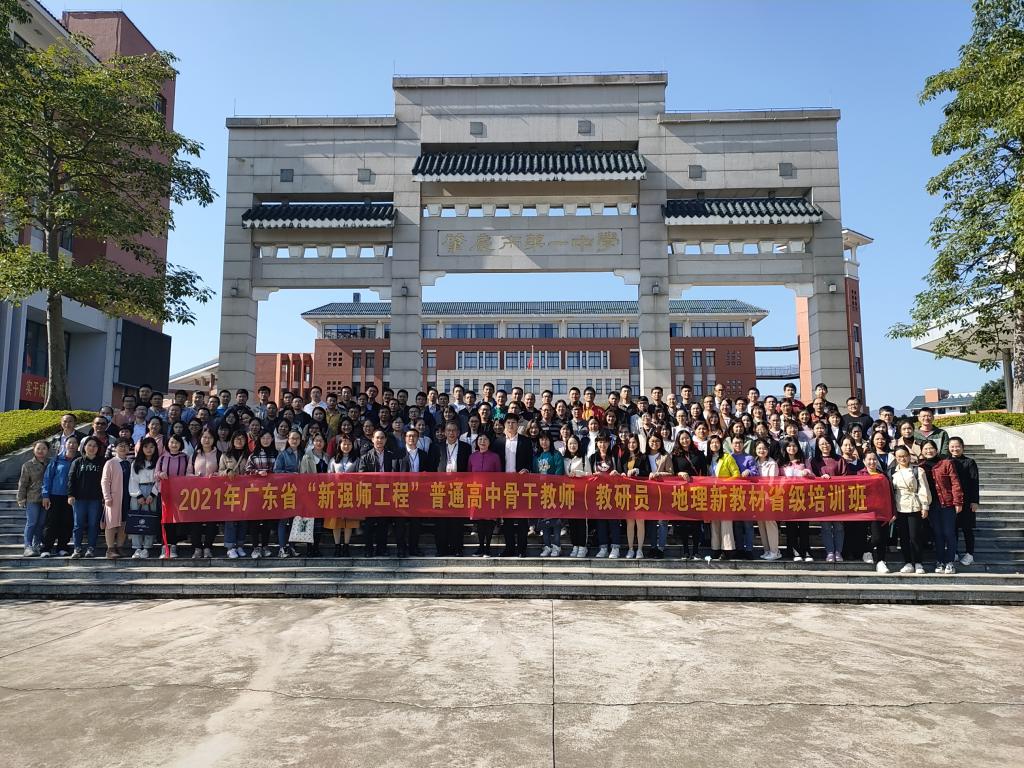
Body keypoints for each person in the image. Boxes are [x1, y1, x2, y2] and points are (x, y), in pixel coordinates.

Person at [919, 440, 964, 574]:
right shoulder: (920, 466)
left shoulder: (946, 463)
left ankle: (949, 562)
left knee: (949, 533)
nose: (929, 451)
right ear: (922, 451)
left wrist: (958, 501)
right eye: (925, 449)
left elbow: (955, 483)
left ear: (936, 449)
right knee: (937, 534)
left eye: (931, 448)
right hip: (931, 505)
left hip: (947, 503)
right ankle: (940, 561)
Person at [493, 415, 534, 557]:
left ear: (518, 425)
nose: (511, 425)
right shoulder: (498, 442)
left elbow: (530, 460)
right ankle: (509, 548)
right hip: (504, 485)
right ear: (504, 425)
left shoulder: (525, 441)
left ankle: (522, 549)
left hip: (521, 484)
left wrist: (527, 469)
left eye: (513, 423)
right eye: (508, 422)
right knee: (507, 519)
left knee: (522, 518)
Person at [357, 430, 399, 557]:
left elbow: (395, 474)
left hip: (386, 494)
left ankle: (382, 549)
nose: (379, 440)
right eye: (377, 438)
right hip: (371, 493)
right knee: (369, 524)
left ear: (385, 440)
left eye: (382, 438)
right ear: (372, 440)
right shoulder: (365, 456)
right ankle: (368, 550)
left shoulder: (391, 456)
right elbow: (361, 476)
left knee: (383, 523)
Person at [891, 445, 931, 575]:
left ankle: (918, 562)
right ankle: (907, 562)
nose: (902, 459)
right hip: (899, 506)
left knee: (915, 536)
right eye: (899, 457)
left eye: (904, 456)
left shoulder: (917, 470)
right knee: (903, 537)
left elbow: (923, 488)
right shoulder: (892, 472)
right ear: (896, 458)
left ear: (909, 456)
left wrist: (925, 506)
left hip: (915, 505)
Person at [807, 435, 848, 562]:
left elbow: (846, 477)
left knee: (839, 527)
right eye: (822, 444)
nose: (825, 446)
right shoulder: (814, 461)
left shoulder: (840, 459)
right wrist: (820, 479)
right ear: (818, 446)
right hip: (822, 498)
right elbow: (812, 478)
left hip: (838, 496)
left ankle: (838, 552)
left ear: (831, 444)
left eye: (827, 443)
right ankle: (830, 552)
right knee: (825, 527)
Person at [68, 436, 106, 559]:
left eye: (95, 446)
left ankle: (91, 548)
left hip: (96, 499)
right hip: (79, 499)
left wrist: (104, 496)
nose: (92, 448)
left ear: (98, 448)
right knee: (78, 524)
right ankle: (77, 548)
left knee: (93, 524)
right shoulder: (77, 461)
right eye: (89, 445)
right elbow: (71, 479)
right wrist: (70, 494)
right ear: (84, 447)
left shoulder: (102, 462)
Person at [671, 430, 706, 560]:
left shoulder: (699, 454)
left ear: (690, 439)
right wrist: (679, 473)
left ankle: (696, 552)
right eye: (682, 439)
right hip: (682, 492)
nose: (685, 441)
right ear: (678, 441)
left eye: (687, 438)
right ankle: (685, 551)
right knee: (684, 524)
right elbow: (672, 473)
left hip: (697, 492)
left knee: (696, 524)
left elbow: (705, 473)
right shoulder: (675, 455)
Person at [40, 436, 77, 557]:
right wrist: (45, 495)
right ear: (65, 445)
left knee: (66, 523)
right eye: (69, 442)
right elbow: (47, 478)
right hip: (55, 495)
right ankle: (46, 548)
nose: (72, 445)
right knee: (51, 523)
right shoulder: (56, 460)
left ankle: (62, 547)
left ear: (78, 446)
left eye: (74, 443)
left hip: (70, 497)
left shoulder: (78, 460)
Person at [779, 437, 814, 561]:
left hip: (803, 497)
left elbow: (813, 475)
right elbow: (777, 480)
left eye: (794, 446)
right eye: (789, 446)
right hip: (788, 498)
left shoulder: (804, 461)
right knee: (791, 526)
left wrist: (807, 472)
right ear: (785, 448)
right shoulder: (781, 463)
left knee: (804, 526)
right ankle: (793, 550)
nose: (792, 448)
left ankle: (806, 550)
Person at [246, 430, 279, 559]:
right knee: (254, 521)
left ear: (272, 439)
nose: (266, 440)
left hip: (271, 492)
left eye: (268, 437)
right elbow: (247, 471)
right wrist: (258, 473)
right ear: (259, 439)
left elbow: (279, 471)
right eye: (263, 438)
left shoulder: (276, 454)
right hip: (255, 492)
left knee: (267, 521)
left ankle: (265, 546)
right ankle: (255, 547)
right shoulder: (253, 455)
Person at [859, 451, 894, 574]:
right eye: (869, 459)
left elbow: (890, 494)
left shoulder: (882, 475)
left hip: (882, 510)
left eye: (874, 459)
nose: (872, 462)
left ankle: (881, 561)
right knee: (876, 537)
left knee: (883, 537)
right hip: (867, 511)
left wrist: (893, 511)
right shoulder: (859, 474)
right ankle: (867, 550)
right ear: (864, 461)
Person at [156, 434, 190, 559]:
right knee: (164, 519)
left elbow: (188, 473)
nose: (174, 445)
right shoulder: (162, 457)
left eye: (176, 442)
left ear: (181, 444)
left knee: (176, 520)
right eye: (171, 442)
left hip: (180, 494)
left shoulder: (185, 458)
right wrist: (160, 474)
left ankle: (174, 545)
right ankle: (164, 546)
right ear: (167, 444)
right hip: (164, 493)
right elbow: (156, 473)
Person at [326, 435, 361, 557]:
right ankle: (337, 546)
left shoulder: (356, 459)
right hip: (336, 493)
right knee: (336, 521)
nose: (346, 446)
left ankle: (346, 545)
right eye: (344, 444)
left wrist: (350, 478)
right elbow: (328, 476)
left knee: (349, 522)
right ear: (339, 445)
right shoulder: (333, 460)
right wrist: (336, 478)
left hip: (350, 493)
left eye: (349, 444)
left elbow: (360, 476)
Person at [588, 433, 621, 559]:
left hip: (613, 493)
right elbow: (588, 475)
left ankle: (615, 547)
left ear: (609, 443)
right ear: (597, 443)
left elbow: (621, 472)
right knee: (600, 521)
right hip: (598, 493)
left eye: (605, 442)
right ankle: (603, 547)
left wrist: (617, 473)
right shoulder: (593, 458)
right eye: (600, 442)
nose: (603, 445)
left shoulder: (614, 456)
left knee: (614, 521)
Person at [948, 437, 980, 567]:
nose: (955, 449)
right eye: (952, 446)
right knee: (952, 527)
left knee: (967, 528)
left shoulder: (970, 462)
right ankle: (954, 551)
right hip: (951, 501)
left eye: (957, 446)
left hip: (967, 501)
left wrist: (975, 501)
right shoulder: (946, 461)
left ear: (963, 447)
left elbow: (974, 482)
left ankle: (969, 554)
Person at [468, 433, 502, 557]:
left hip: (490, 493)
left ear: (489, 442)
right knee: (480, 522)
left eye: (485, 439)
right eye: (480, 439)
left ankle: (487, 547)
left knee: (489, 521)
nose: (482, 441)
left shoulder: (495, 457)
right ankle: (480, 547)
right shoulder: (472, 457)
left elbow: (498, 475)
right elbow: (469, 474)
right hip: (476, 493)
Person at [706, 435, 739, 560]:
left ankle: (728, 550)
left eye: (717, 442)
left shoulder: (727, 457)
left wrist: (723, 483)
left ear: (721, 444)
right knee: (714, 522)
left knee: (726, 522)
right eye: (712, 443)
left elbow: (736, 475)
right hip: (712, 494)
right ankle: (716, 549)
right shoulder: (707, 459)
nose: (714, 445)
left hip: (726, 493)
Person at [189, 430, 221, 558]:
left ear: (214, 440)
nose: (207, 440)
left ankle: (208, 547)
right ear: (200, 439)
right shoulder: (194, 455)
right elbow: (187, 473)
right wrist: (194, 477)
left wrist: (216, 475)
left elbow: (222, 471)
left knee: (211, 522)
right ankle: (197, 547)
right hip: (196, 493)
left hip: (214, 493)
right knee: (195, 522)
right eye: (204, 437)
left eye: (210, 437)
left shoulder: (219, 454)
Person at [534, 431, 566, 557]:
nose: (544, 442)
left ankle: (557, 546)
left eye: (546, 439)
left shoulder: (556, 454)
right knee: (544, 521)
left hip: (554, 492)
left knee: (556, 521)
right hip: (541, 493)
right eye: (541, 439)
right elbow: (535, 474)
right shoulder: (538, 456)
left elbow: (559, 472)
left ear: (550, 441)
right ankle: (547, 546)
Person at [273, 430, 304, 557]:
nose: (294, 441)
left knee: (295, 520)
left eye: (297, 438)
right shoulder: (283, 454)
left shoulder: (303, 454)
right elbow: (276, 471)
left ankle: (292, 546)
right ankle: (282, 548)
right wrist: (291, 475)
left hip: (300, 491)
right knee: (283, 520)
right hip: (286, 491)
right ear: (288, 439)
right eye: (292, 438)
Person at [219, 432, 250, 558]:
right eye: (237, 438)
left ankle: (240, 545)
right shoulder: (225, 455)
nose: (239, 440)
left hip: (246, 491)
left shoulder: (249, 455)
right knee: (231, 520)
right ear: (232, 440)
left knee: (243, 519)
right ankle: (230, 547)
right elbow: (219, 472)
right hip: (230, 492)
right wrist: (227, 471)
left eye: (242, 438)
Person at [99, 439, 131, 559]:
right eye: (120, 446)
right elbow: (105, 481)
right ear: (115, 448)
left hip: (127, 497)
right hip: (114, 498)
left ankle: (120, 547)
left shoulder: (129, 463)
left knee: (124, 523)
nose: (123, 448)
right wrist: (107, 497)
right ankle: (110, 549)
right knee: (111, 523)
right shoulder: (110, 463)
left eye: (126, 446)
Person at [299, 432, 329, 557]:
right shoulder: (307, 457)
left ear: (324, 443)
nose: (318, 443)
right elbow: (303, 476)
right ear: (313, 442)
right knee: (309, 521)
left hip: (323, 493)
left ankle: (316, 547)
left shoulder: (327, 457)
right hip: (310, 493)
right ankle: (309, 548)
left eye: (321, 440)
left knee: (319, 522)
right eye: (316, 440)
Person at [17, 441, 49, 557]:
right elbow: (23, 483)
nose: (41, 451)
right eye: (38, 448)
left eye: (44, 448)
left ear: (48, 450)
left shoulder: (50, 463)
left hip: (47, 499)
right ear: (33, 450)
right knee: (32, 522)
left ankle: (37, 545)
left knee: (41, 523)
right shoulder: (27, 465)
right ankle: (28, 546)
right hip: (32, 498)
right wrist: (21, 498)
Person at [620, 434, 649, 559]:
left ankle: (640, 549)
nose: (632, 445)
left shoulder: (643, 457)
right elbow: (620, 471)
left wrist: (637, 471)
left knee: (640, 521)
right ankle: (631, 548)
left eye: (634, 442)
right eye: (629, 442)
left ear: (638, 443)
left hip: (640, 492)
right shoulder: (623, 457)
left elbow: (647, 472)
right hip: (627, 492)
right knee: (630, 522)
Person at [752, 439, 782, 561]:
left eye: (764, 448)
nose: (762, 450)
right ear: (755, 450)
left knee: (770, 523)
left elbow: (772, 483)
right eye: (759, 448)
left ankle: (775, 551)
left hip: (769, 496)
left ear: (768, 450)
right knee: (761, 524)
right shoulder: (753, 462)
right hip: (756, 497)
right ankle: (767, 550)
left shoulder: (772, 463)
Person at [561, 435, 589, 558]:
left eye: (575, 443)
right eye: (570, 444)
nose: (572, 446)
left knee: (581, 521)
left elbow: (590, 475)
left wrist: (578, 473)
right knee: (572, 522)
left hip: (581, 494)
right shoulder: (565, 459)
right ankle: (575, 545)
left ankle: (582, 546)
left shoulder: (583, 458)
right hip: (568, 494)